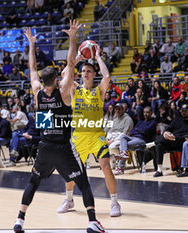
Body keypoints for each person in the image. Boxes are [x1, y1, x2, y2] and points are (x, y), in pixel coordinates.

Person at [13, 22, 106, 233]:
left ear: (42, 81)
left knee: (33, 183)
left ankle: (20, 220)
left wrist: (31, 44)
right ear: (56, 79)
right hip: (64, 147)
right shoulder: (63, 92)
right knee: (83, 183)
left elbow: (31, 68)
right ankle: (92, 221)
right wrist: (73, 37)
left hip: (45, 147)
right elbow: (71, 63)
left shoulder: (37, 92)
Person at [58, 38, 121, 217]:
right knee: (71, 171)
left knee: (105, 166)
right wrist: (79, 57)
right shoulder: (75, 89)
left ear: (93, 74)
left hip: (96, 136)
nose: (85, 73)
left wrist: (98, 57)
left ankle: (115, 203)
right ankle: (69, 199)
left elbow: (107, 76)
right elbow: (64, 74)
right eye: (83, 71)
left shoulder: (99, 90)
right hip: (78, 136)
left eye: (88, 71)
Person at [154, 104, 188, 177]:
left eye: (185, 111)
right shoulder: (178, 119)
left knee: (158, 141)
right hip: (171, 141)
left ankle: (153, 143)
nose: (183, 112)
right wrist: (166, 132)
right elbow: (169, 128)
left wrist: (174, 137)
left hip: (182, 143)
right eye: (182, 111)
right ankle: (159, 170)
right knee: (159, 146)